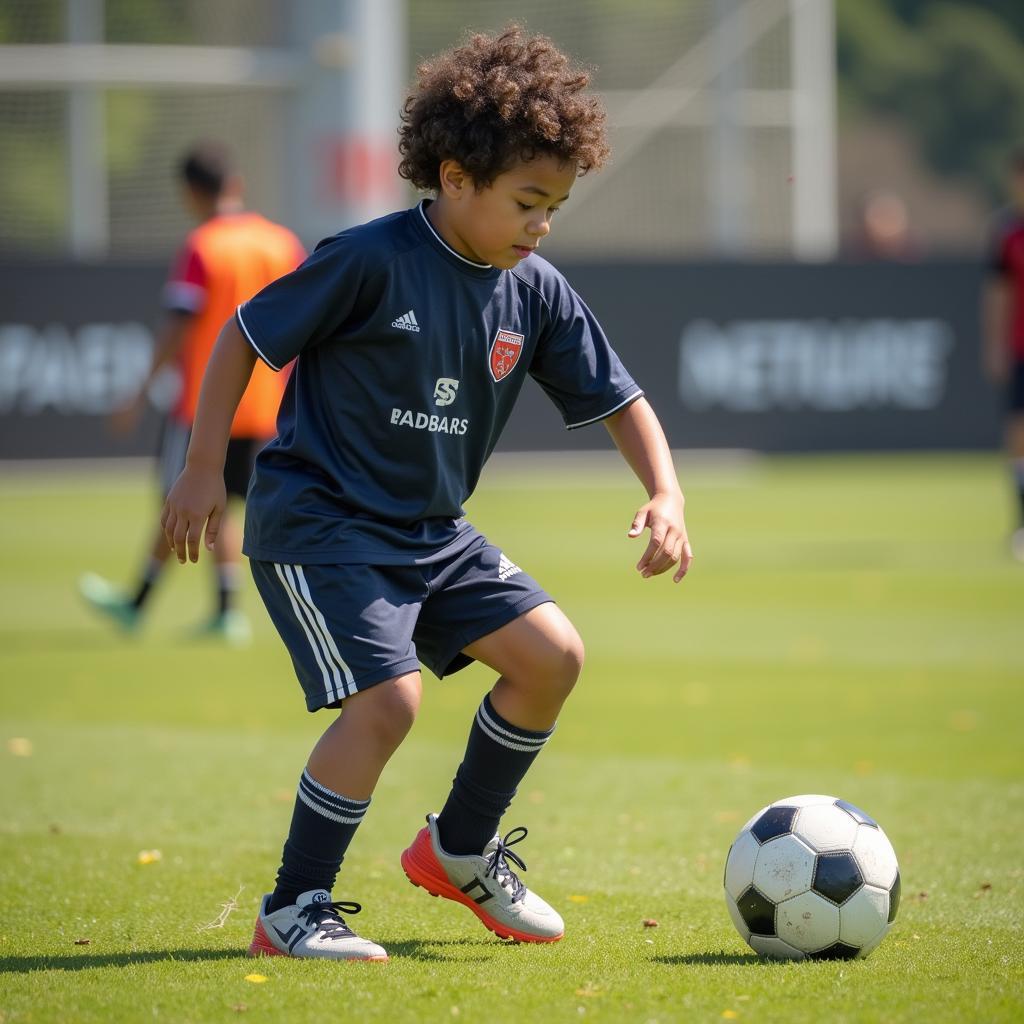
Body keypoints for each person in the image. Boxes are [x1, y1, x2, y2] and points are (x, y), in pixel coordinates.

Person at [161, 25, 694, 962]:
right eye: (528, 201)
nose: (542, 225)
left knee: (553, 657)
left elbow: (622, 398)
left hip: (429, 532)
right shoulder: (369, 258)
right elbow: (243, 335)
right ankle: (293, 908)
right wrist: (205, 469)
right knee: (389, 702)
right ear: (454, 178)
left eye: (557, 207)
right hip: (322, 524)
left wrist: (666, 492)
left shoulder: (536, 291)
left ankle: (456, 848)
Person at [79, 141, 305, 643]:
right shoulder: (281, 243)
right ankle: (163, 604)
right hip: (268, 405)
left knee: (185, 499)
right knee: (223, 503)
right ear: (237, 185)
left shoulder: (203, 247)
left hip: (209, 406)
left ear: (189, 194)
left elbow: (178, 326)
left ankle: (172, 607)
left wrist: (137, 393)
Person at [983, 147, 1024, 561]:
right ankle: (1022, 524)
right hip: (1021, 347)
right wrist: (994, 344)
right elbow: (998, 292)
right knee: (1018, 439)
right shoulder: (1007, 232)